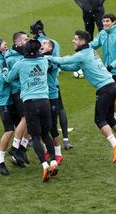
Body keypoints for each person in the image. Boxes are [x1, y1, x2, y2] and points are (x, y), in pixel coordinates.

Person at [48, 30, 116, 164]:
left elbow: (66, 60)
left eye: (75, 39)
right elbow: (73, 66)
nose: (73, 41)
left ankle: (115, 145)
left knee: (99, 120)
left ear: (82, 41)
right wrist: (60, 66)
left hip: (104, 89)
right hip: (111, 85)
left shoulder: (82, 54)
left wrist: (48, 58)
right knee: (110, 117)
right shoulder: (89, 52)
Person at [4, 39, 59, 183]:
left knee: (35, 136)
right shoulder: (44, 62)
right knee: (46, 134)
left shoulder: (20, 63)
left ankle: (45, 165)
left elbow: (9, 79)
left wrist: (4, 70)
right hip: (45, 101)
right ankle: (53, 162)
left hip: (30, 103)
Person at [30, 20, 74, 150]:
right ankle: (65, 139)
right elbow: (58, 61)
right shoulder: (53, 42)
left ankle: (35, 140)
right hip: (55, 83)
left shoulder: (35, 44)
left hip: (41, 87)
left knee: (40, 115)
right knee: (60, 109)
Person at [0, 38, 21, 175]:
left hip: (12, 99)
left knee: (22, 126)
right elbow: (3, 79)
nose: (6, 44)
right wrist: (11, 71)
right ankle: (0, 161)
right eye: (3, 43)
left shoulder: (5, 57)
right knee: (9, 131)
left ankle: (16, 154)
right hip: (3, 101)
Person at [90, 13, 116, 118]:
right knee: (111, 93)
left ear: (114, 22)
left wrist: (112, 65)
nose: (105, 23)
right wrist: (83, 46)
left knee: (112, 93)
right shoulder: (102, 33)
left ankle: (113, 115)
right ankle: (115, 111)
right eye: (104, 21)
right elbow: (94, 44)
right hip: (107, 70)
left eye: (107, 21)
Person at [4, 31, 30, 167]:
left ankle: (21, 149)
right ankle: (16, 149)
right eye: (25, 40)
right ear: (17, 42)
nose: (28, 41)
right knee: (26, 118)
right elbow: (11, 78)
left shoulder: (22, 55)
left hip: (27, 91)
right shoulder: (12, 58)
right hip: (19, 91)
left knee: (32, 120)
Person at [40, 39, 64, 165]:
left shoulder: (52, 60)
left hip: (52, 95)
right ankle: (47, 151)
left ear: (50, 48)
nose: (41, 45)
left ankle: (58, 153)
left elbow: (47, 68)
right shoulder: (39, 58)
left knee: (53, 126)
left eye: (44, 43)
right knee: (43, 126)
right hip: (41, 96)